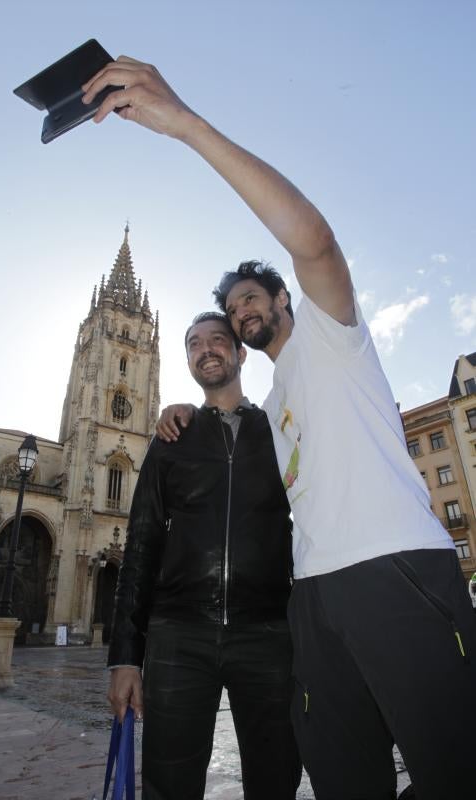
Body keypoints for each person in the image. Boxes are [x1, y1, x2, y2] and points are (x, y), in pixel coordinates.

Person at [83, 57, 476, 799]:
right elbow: (169, 515)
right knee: (342, 779)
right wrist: (185, 412)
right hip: (310, 607)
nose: (237, 314)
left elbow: (314, 240)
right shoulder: (265, 403)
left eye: (248, 300)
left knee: (451, 766)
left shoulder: (332, 334)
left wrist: (186, 125)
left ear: (282, 299)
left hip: (390, 572)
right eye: (228, 312)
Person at [106, 312, 301, 800]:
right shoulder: (172, 436)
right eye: (195, 343)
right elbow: (141, 544)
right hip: (178, 636)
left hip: (268, 634)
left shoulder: (277, 430)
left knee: (276, 777)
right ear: (189, 360)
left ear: (239, 353)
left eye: (219, 340)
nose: (207, 348)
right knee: (168, 784)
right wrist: (125, 658)